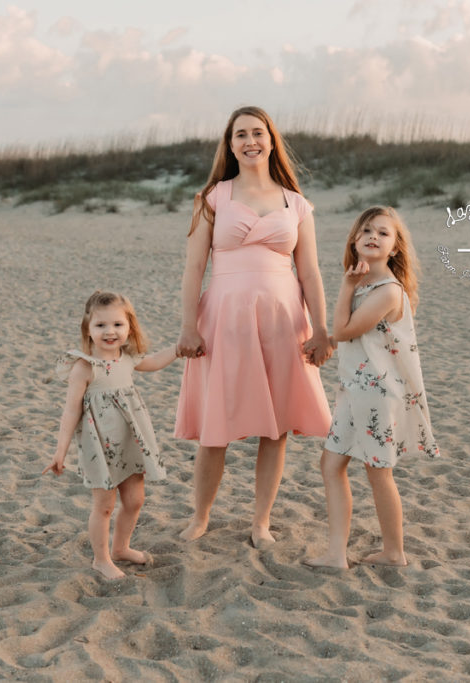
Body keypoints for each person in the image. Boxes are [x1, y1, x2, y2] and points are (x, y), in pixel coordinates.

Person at [175, 105, 333, 547]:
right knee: (216, 424)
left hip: (283, 319)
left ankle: (260, 521)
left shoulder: (296, 203)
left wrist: (320, 329)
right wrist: (189, 327)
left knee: (277, 426)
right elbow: (193, 269)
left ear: (271, 140)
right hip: (224, 319)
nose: (250, 141)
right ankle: (201, 516)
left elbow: (311, 273)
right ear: (230, 145)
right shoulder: (213, 198)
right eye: (240, 134)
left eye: (258, 133)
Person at [304, 207, 440, 569]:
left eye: (383, 233)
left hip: (379, 394)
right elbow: (351, 334)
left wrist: (346, 290)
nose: (373, 237)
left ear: (395, 249)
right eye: (366, 230)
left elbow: (349, 329)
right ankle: (336, 553)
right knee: (331, 464)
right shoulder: (364, 286)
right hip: (356, 390)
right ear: (354, 239)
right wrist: (329, 339)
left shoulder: (388, 291)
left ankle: (395, 552)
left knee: (378, 471)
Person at [43, 291, 178, 580]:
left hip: (130, 442)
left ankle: (121, 548)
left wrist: (179, 349)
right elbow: (70, 412)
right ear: (88, 330)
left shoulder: (127, 358)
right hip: (99, 447)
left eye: (117, 324)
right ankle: (101, 559)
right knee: (104, 506)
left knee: (135, 500)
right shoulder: (84, 367)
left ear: (129, 327)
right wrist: (60, 451)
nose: (110, 332)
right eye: (101, 325)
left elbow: (153, 362)